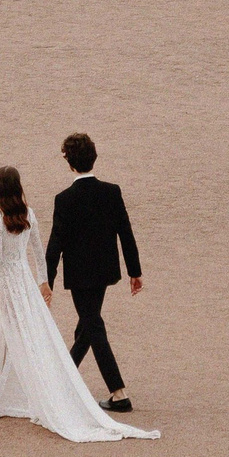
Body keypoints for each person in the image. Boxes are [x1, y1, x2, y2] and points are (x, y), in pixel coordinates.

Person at [0, 166, 156, 443]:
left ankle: (0, 394)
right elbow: (37, 249)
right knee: (10, 333)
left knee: (6, 334)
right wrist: (43, 282)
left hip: (7, 283)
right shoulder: (29, 213)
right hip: (24, 281)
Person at [44, 133, 142, 414]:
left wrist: (46, 282)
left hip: (79, 276)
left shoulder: (64, 200)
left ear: (69, 162)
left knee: (92, 325)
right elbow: (126, 233)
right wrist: (135, 271)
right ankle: (64, 379)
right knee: (87, 325)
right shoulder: (112, 191)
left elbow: (55, 247)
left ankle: (119, 393)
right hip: (105, 272)